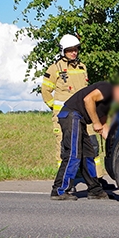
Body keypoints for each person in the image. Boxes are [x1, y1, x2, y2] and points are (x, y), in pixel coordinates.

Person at [52, 81, 119, 200]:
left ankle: (95, 190)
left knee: (88, 156)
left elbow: (102, 126)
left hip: (79, 119)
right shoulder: (108, 88)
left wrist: (116, 143)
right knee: (73, 154)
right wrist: (95, 123)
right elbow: (88, 99)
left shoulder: (109, 104)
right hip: (71, 115)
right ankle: (59, 190)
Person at [41, 34, 91, 166]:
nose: (74, 52)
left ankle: (95, 179)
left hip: (84, 114)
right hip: (64, 117)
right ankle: (65, 181)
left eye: (76, 49)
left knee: (92, 146)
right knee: (64, 148)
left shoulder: (82, 67)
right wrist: (55, 109)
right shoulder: (55, 68)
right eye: (70, 50)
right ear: (63, 51)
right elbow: (45, 91)